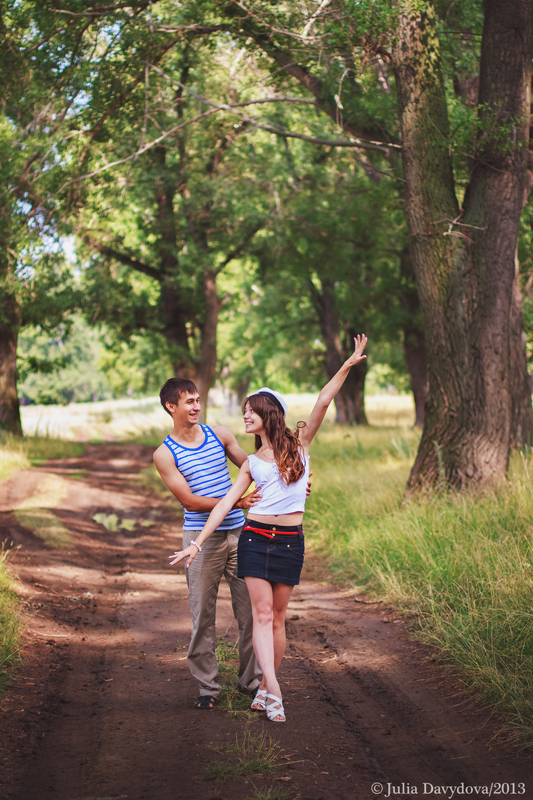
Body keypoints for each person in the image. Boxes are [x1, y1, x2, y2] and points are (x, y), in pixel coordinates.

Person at [169, 335, 368, 722]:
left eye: (250, 411)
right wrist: (197, 543)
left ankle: (263, 688)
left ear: (267, 413)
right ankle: (273, 690)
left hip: (290, 542)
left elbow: (323, 401)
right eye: (244, 411)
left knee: (277, 619)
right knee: (261, 616)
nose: (245, 417)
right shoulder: (251, 463)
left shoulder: (300, 444)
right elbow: (225, 504)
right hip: (255, 539)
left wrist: (346, 365)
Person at [153, 378, 263, 709]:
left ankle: (251, 681)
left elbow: (255, 467)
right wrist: (237, 502)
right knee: (202, 615)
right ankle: (208, 688)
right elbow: (189, 501)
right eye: (189, 401)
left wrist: (292, 477)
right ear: (171, 406)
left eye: (198, 400)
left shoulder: (220, 435)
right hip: (200, 541)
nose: (197, 406)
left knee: (251, 613)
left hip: (240, 534)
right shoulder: (164, 454)